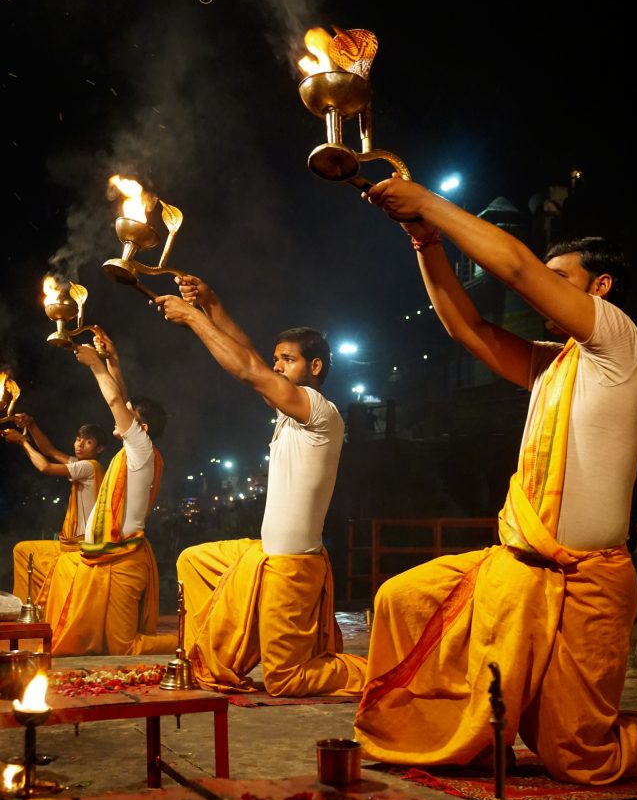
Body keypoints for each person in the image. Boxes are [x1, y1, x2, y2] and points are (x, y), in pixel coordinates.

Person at [353, 173, 637, 784]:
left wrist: (430, 205)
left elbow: (520, 273)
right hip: (517, 566)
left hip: (588, 579)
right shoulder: (554, 366)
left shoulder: (623, 346)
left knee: (578, 757)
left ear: (601, 289)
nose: (546, 292)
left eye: (562, 281)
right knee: (401, 599)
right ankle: (447, 730)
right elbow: (467, 329)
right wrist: (426, 243)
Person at [155, 277, 367, 697]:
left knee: (286, 680)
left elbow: (248, 370)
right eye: (278, 360)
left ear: (316, 367)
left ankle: (385, 670)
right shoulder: (290, 410)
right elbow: (250, 356)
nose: (277, 367)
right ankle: (219, 655)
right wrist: (213, 304)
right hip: (264, 556)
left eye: (287, 359)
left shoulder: (317, 410)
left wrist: (194, 318)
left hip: (291, 567)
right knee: (193, 561)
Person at [44, 331, 178, 656]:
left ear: (141, 429)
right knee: (61, 575)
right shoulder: (136, 448)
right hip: (106, 556)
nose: (123, 416)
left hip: (123, 559)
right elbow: (124, 398)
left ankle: (193, 640)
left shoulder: (142, 449)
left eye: (133, 418)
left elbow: (117, 401)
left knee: (123, 646)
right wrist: (112, 360)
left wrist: (93, 364)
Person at [1, 416, 106, 606]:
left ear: (99, 449)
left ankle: (32, 606)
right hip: (73, 544)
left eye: (88, 441)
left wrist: (23, 442)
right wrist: (32, 424)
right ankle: (28, 607)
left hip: (80, 547)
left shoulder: (89, 467)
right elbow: (50, 451)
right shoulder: (85, 465)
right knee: (23, 550)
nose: (80, 444)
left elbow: (45, 467)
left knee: (26, 553)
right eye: (78, 439)